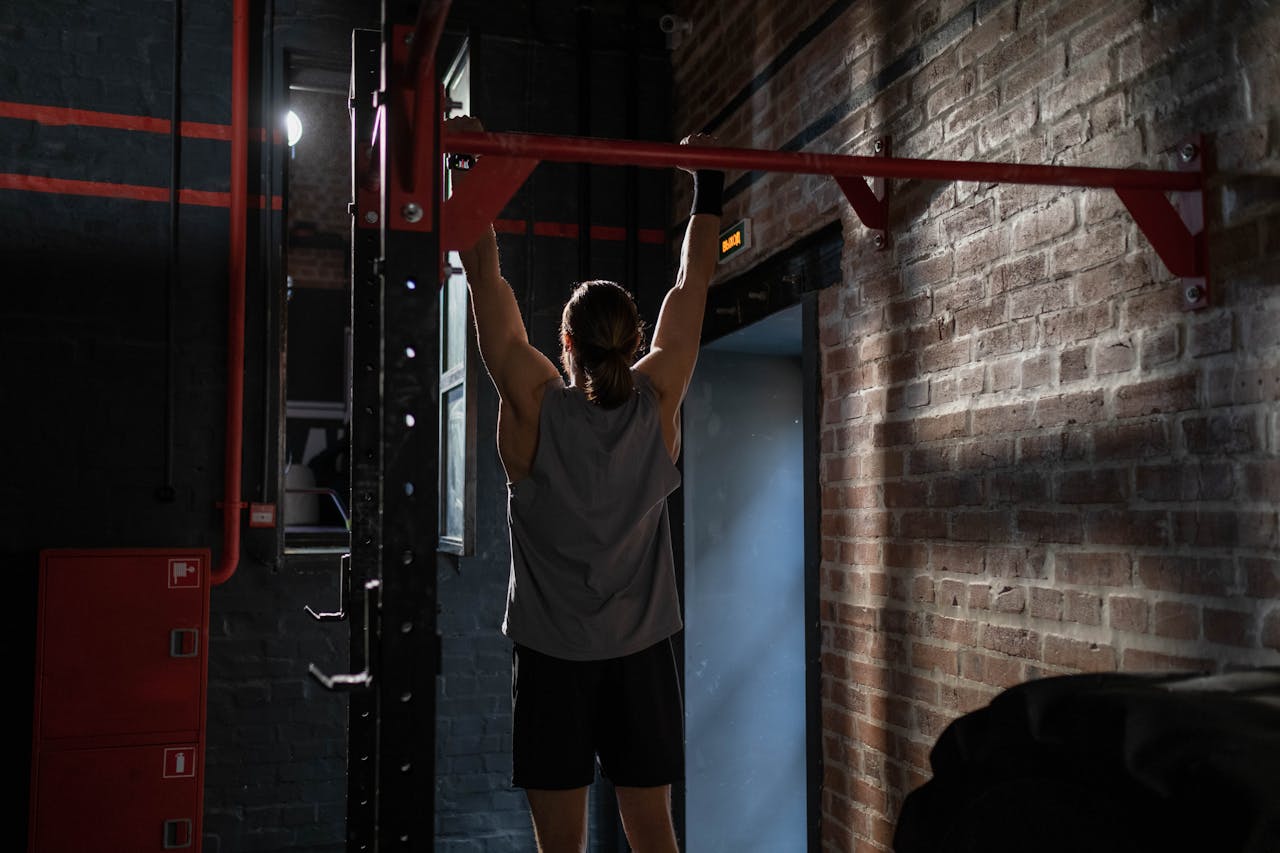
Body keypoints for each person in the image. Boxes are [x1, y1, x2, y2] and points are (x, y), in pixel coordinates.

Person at [449, 116, 722, 853]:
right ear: (635, 344)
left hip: (552, 662)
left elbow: (486, 282)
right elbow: (693, 281)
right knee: (653, 832)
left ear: (564, 343)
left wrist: (466, 166)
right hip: (641, 657)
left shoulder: (533, 408)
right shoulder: (657, 403)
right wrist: (711, 182)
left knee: (560, 846)